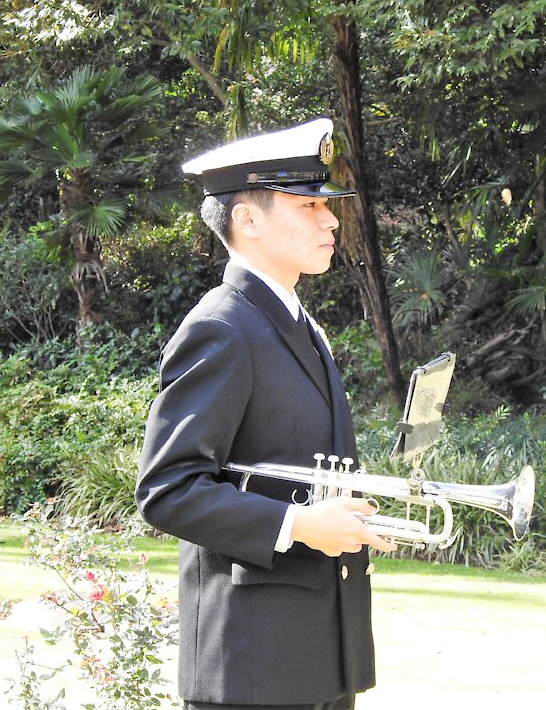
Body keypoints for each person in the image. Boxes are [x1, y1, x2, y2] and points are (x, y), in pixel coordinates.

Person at [135, 117, 396, 710]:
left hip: (318, 655)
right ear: (247, 220)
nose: (330, 219)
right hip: (253, 666)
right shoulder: (222, 327)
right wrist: (302, 526)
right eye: (307, 205)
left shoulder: (295, 322)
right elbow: (168, 489)